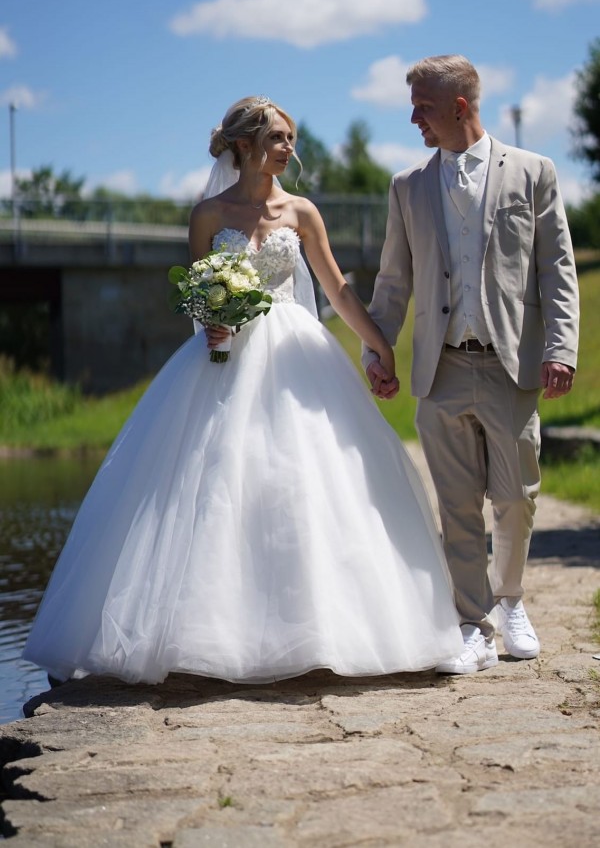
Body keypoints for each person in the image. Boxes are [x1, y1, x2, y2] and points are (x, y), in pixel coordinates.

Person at [23, 95, 464, 686]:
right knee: (215, 484)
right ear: (243, 143)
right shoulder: (207, 214)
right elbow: (198, 295)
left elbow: (335, 290)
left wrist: (380, 345)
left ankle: (324, 633)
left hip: (295, 355)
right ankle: (205, 640)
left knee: (303, 484)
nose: (289, 149)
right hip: (222, 358)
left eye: (290, 138)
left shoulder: (302, 212)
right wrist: (212, 318)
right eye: (279, 138)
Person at [363, 55, 579, 674]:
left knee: (517, 499)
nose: (413, 119)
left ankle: (512, 601)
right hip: (442, 367)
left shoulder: (535, 173)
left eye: (423, 107)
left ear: (459, 108)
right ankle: (471, 622)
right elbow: (392, 284)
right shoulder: (407, 187)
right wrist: (377, 353)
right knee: (456, 505)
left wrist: (559, 347)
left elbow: (556, 271)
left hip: (512, 365)